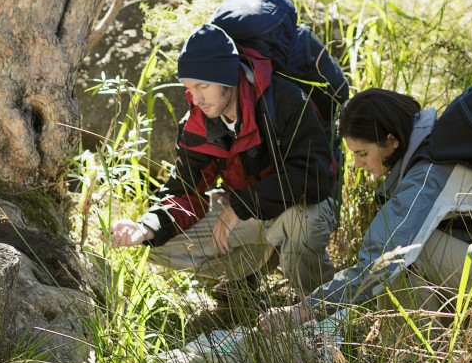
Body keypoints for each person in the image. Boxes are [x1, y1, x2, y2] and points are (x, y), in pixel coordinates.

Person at [260, 89, 472, 329]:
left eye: (361, 153)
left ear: (392, 141)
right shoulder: (439, 143)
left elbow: (380, 263)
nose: (356, 165)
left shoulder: (429, 175)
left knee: (401, 256)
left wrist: (304, 309)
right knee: (407, 252)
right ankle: (439, 353)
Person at [109, 24, 337, 297]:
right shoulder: (197, 124)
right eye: (189, 88)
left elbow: (315, 175)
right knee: (160, 245)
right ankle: (247, 276)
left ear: (228, 78)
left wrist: (241, 206)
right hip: (245, 214)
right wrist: (145, 227)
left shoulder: (285, 100)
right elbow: (186, 191)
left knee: (303, 219)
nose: (196, 98)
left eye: (203, 86)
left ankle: (320, 304)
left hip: (294, 208)